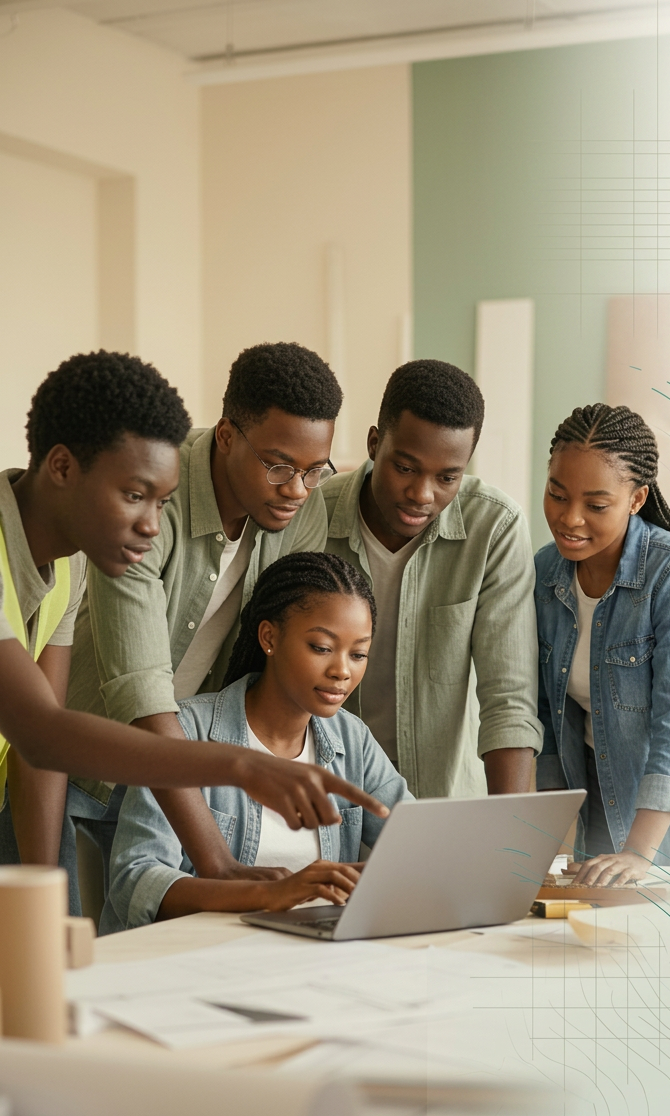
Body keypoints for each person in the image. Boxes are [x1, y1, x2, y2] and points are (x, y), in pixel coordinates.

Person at [0, 352, 388, 912]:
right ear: (62, 468)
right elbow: (47, 732)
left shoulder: (69, 564)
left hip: (134, 773)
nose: (154, 524)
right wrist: (239, 767)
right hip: (107, 771)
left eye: (160, 503)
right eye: (136, 497)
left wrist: (44, 904)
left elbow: (40, 741)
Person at [66, 342, 345, 897]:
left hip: (185, 781)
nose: (296, 489)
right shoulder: (150, 496)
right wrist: (215, 859)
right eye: (279, 466)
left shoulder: (303, 504)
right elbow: (141, 692)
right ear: (225, 436)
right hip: (83, 776)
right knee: (67, 962)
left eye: (315, 471)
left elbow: (279, 648)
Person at [102, 552, 411, 932]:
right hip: (197, 960)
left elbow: (416, 843)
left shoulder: (353, 739)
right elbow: (135, 881)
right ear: (269, 637)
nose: (342, 671)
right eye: (321, 647)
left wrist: (394, 870)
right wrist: (267, 895)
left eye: (359, 653)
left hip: (307, 964)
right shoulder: (185, 731)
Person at [534, 403, 670, 885]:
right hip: (602, 834)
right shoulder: (546, 575)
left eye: (596, 504)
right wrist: (552, 847)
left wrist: (638, 852)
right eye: (556, 494)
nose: (570, 518)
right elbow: (550, 720)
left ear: (636, 499)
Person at [322, 360, 542, 798]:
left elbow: (509, 700)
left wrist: (511, 841)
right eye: (405, 468)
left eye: (447, 478)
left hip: (444, 803)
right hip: (330, 804)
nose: (423, 495)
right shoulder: (313, 517)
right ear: (373, 443)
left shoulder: (493, 528)